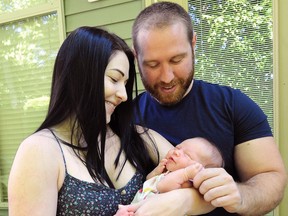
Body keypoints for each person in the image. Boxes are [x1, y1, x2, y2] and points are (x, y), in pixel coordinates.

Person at [130, 1, 287, 216]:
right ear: (136, 57)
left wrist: (239, 196)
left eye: (177, 59)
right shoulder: (124, 117)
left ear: (193, 45)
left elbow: (271, 177)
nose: (167, 77)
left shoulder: (233, 105)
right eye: (153, 65)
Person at [8, 26, 179, 216]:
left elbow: (199, 178)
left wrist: (181, 201)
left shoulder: (137, 137)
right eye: (114, 79)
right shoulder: (40, 151)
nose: (123, 95)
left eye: (125, 83)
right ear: (80, 76)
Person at [114, 137, 224, 216]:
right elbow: (148, 182)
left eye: (187, 155)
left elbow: (163, 187)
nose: (177, 152)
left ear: (199, 171)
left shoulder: (186, 183)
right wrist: (157, 172)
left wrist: (185, 173)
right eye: (177, 147)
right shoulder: (168, 173)